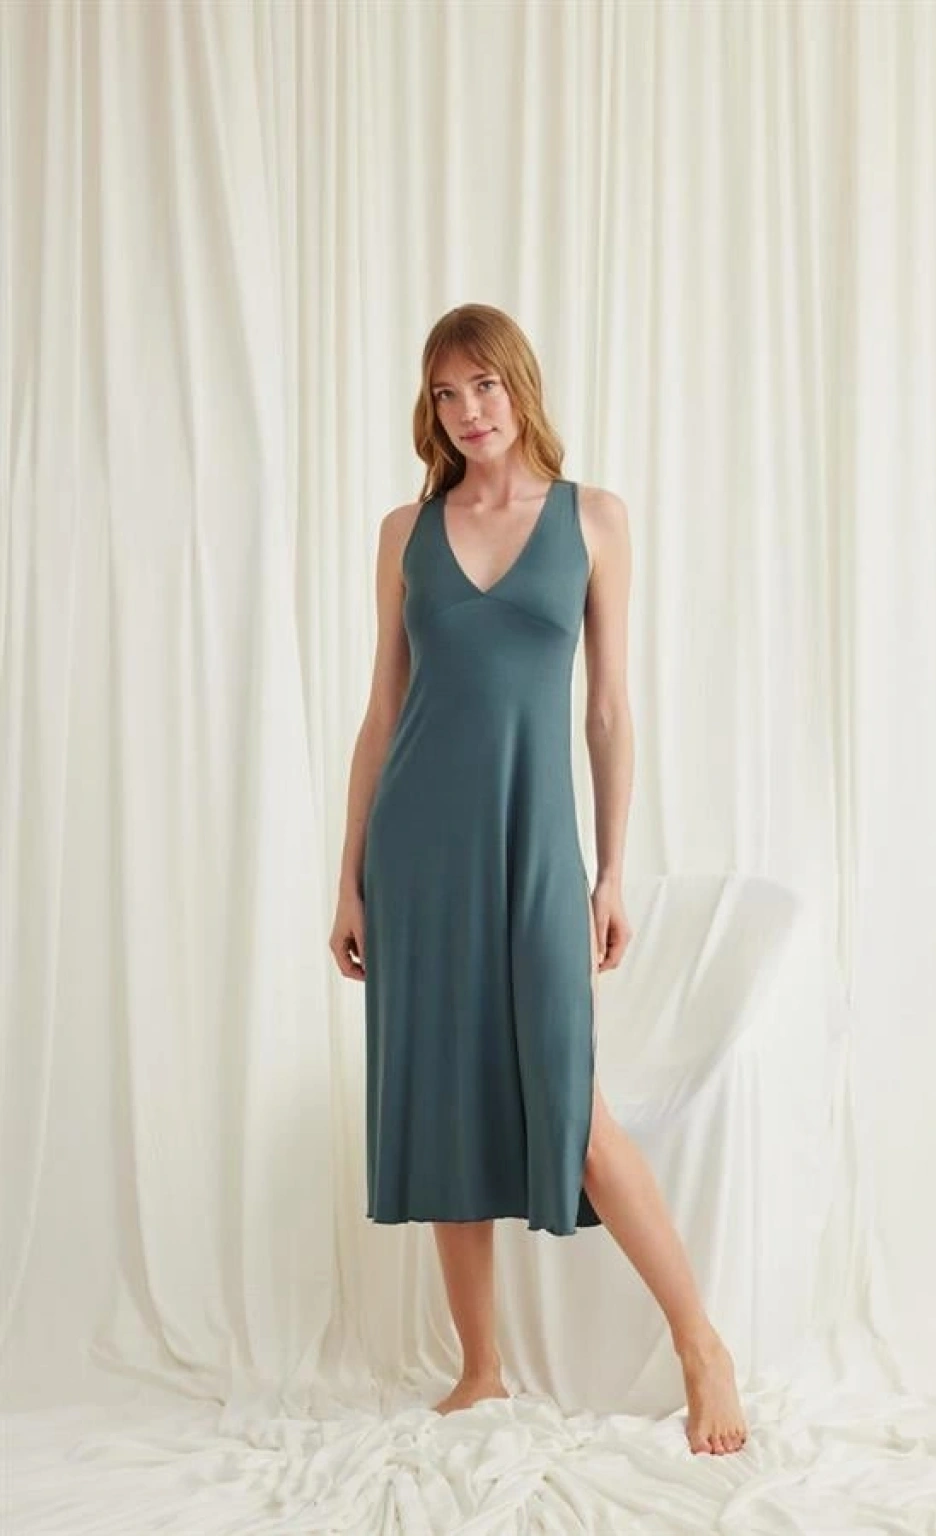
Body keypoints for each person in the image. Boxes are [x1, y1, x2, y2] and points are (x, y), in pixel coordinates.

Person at [329, 304, 747, 1455]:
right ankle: (480, 1370)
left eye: (484, 386)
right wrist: (349, 879)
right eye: (446, 393)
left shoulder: (593, 519)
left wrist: (610, 871)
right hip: (416, 853)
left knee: (577, 1116)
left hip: (534, 851)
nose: (469, 411)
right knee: (443, 1103)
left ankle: (700, 1345)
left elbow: (607, 709)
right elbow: (381, 713)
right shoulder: (405, 532)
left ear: (520, 385)